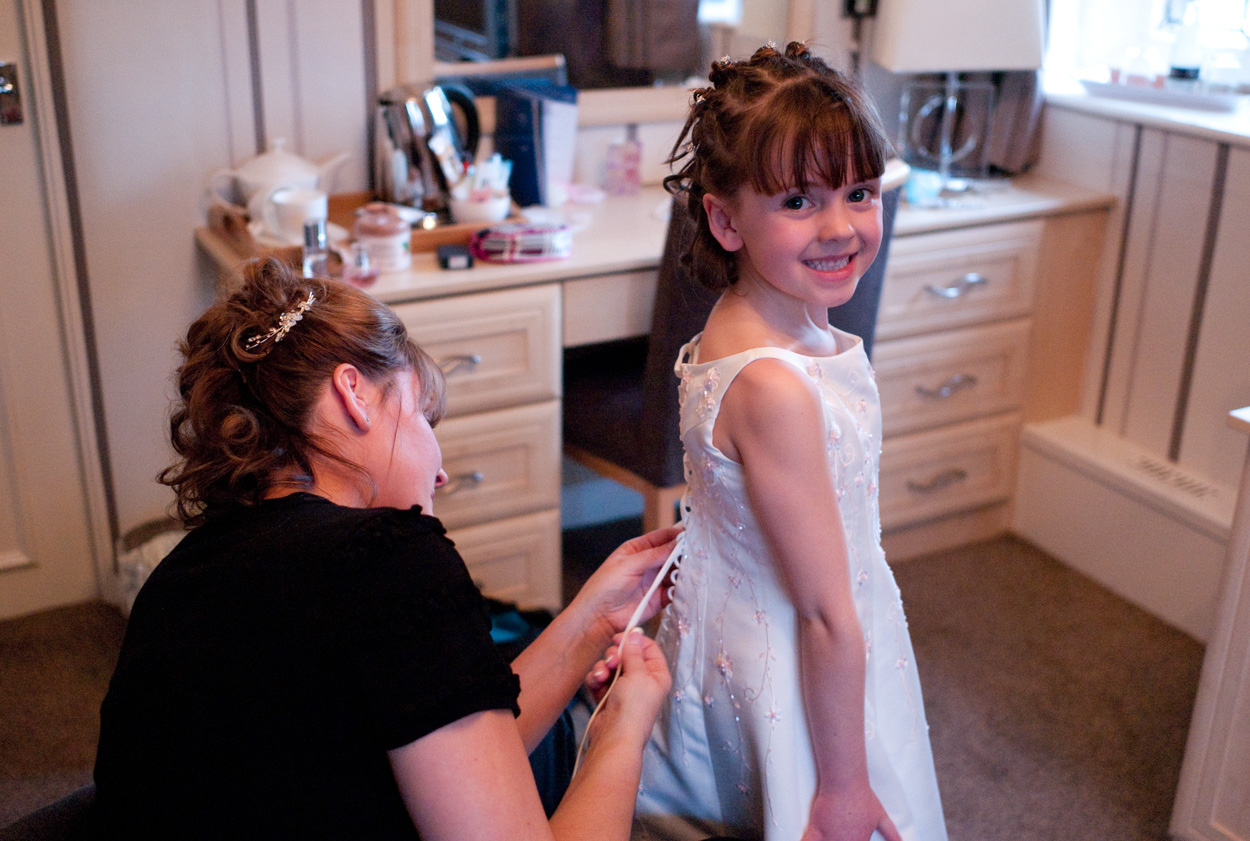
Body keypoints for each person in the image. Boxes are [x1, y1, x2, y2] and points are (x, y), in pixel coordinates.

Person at [90, 258, 678, 840]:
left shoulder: (180, 574)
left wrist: (592, 621)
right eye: (423, 418)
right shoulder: (385, 555)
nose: (440, 470)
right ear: (355, 393)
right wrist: (620, 731)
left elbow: (444, 744)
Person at [592, 43, 948, 841]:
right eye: (798, 201)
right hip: (804, 648)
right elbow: (824, 608)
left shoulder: (752, 330)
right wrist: (847, 784)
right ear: (724, 219)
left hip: (756, 627)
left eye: (860, 192)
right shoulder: (775, 386)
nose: (839, 226)